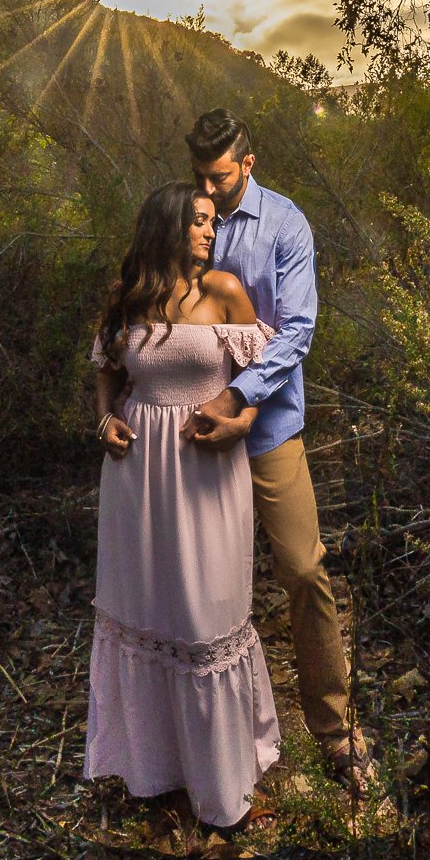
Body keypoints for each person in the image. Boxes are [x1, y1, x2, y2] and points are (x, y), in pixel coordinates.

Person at [180, 107, 377, 797]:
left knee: (303, 568)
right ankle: (212, 744)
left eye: (221, 176)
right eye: (200, 175)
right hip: (194, 436)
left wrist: (241, 400)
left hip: (266, 433)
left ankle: (337, 729)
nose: (209, 187)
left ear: (249, 163)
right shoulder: (187, 219)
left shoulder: (287, 224)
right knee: (205, 588)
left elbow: (297, 329)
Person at [83, 181, 283, 830]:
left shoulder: (224, 291)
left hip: (207, 470)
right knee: (150, 612)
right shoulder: (127, 299)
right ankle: (156, 773)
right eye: (197, 221)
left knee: (205, 619)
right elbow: (108, 372)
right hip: (138, 476)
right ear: (166, 226)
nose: (209, 231)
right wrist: (104, 419)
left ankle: (225, 787)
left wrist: (240, 422)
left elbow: (263, 374)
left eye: (211, 221)